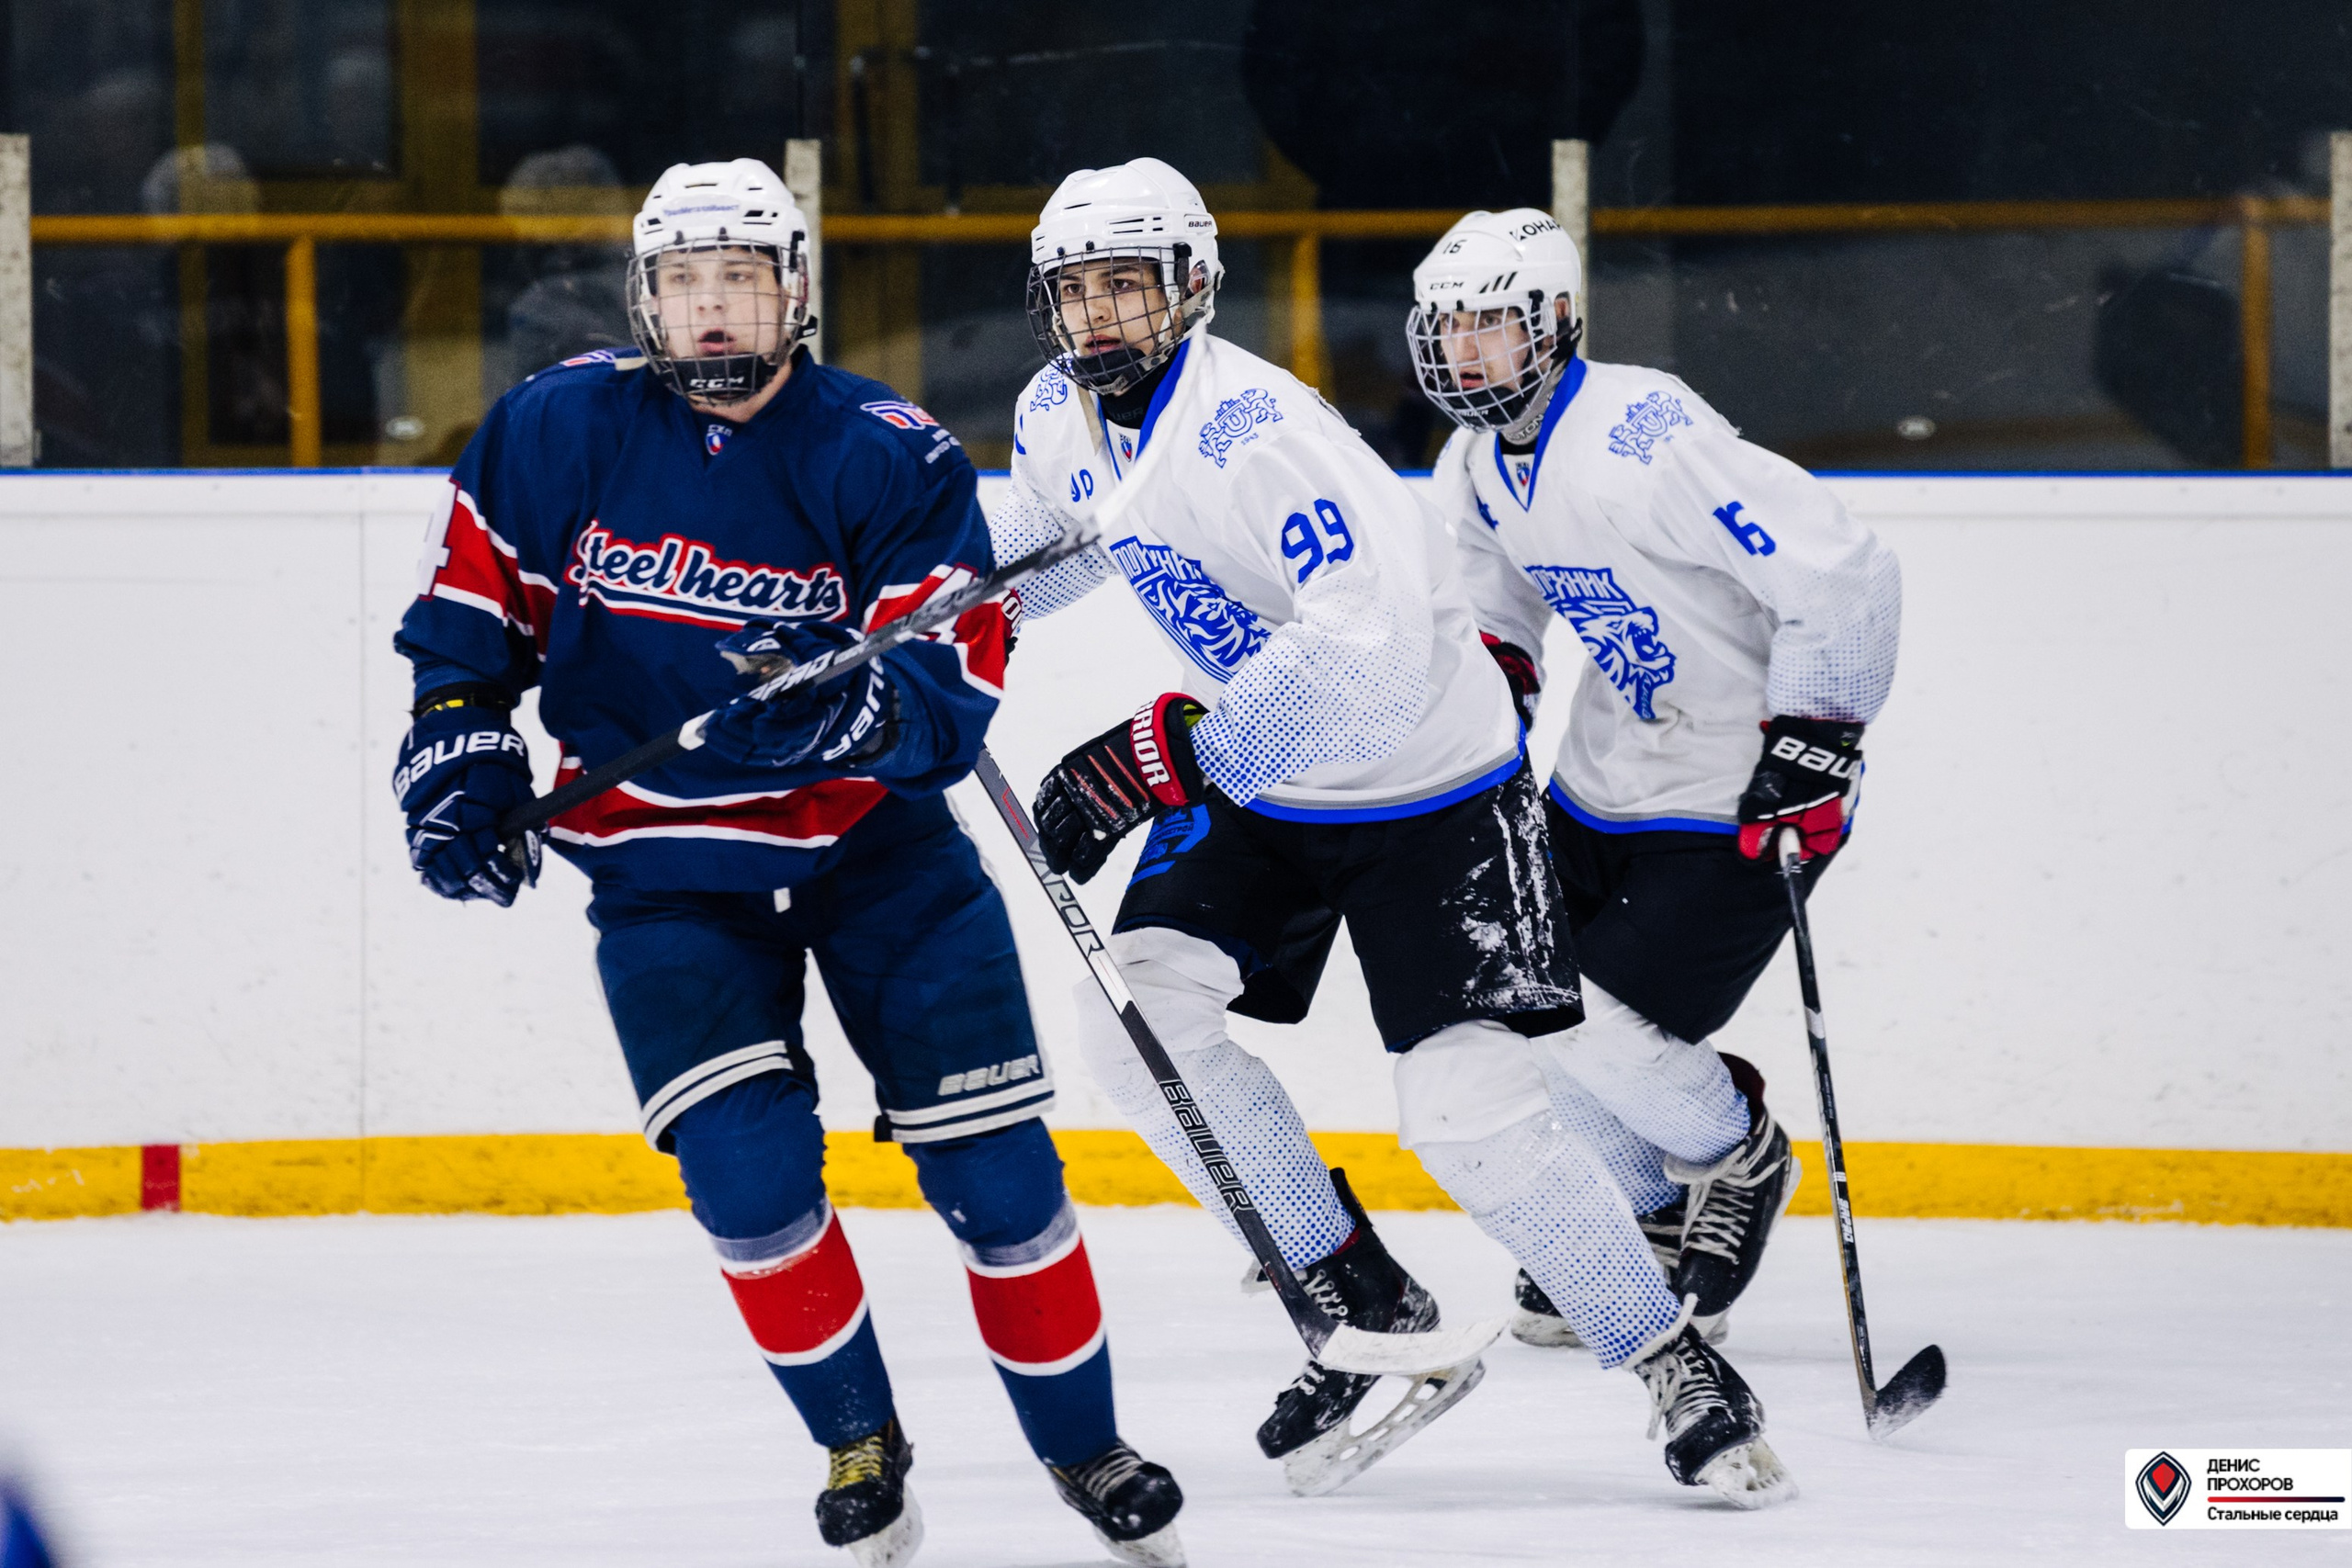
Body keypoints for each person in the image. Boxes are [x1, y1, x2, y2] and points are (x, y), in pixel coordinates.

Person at [390, 158, 1183, 1568]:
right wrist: (458, 755)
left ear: (794, 290)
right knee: (748, 1182)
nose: (710, 313)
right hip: (664, 878)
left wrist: (858, 705)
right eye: (684, 283)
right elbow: (468, 635)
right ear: (646, 296)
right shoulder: (550, 429)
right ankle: (859, 1445)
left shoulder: (890, 450)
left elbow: (943, 702)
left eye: (739, 281)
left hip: (878, 861)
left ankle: (1087, 1449)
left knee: (999, 1178)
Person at [991, 157, 1790, 1505]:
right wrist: (931, 608)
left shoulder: (1261, 435)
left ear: (1189, 290)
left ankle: (1671, 1364)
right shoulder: (1058, 412)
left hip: (1434, 788)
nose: (1100, 320)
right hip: (1275, 775)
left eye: (1128, 287)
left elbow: (1366, 664)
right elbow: (1061, 541)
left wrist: (1171, 753)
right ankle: (1354, 1291)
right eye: (1077, 293)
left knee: (1465, 1118)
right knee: (1134, 1017)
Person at [1408, 207, 1901, 1403]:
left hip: (1740, 780)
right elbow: (1491, 605)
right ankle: (1649, 1215)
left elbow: (1840, 565)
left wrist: (1821, 737)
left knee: (1596, 1018)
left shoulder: (1644, 434)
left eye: (1493, 322)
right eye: (1448, 325)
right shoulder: (1477, 460)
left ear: (1558, 322)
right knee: (1511, 1001)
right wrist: (1484, 715)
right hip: (1604, 774)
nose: (1466, 349)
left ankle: (1734, 1153)